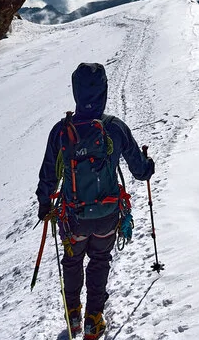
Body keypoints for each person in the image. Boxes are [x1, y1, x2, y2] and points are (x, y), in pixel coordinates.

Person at [36, 62, 155, 340]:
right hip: (106, 215)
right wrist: (149, 165)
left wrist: (45, 205)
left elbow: (48, 176)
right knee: (100, 259)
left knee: (72, 261)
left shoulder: (61, 131)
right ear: (104, 92)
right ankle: (93, 320)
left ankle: (74, 316)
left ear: (76, 92)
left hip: (72, 218)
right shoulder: (114, 128)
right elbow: (139, 171)